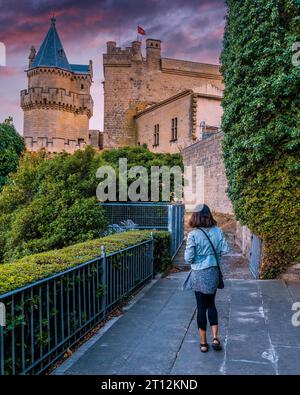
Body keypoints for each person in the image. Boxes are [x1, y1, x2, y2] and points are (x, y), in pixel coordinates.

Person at [184, 204, 229, 353]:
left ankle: (203, 343)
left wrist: (199, 257)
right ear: (209, 215)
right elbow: (226, 249)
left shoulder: (193, 234)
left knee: (201, 307)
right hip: (213, 273)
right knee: (211, 304)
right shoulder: (218, 231)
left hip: (198, 274)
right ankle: (215, 338)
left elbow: (188, 258)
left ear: (195, 216)